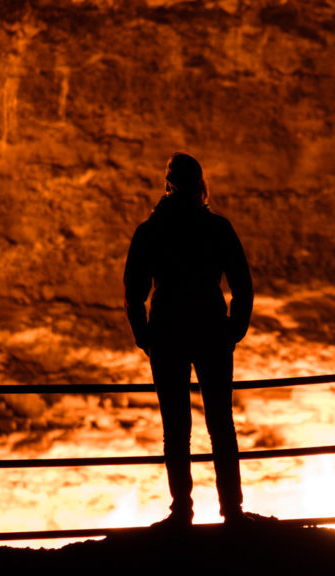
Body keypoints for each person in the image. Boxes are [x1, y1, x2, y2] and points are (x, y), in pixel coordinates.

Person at [123, 152, 253, 529]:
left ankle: (182, 512)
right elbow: (241, 285)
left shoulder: (150, 231)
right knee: (221, 426)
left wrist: (144, 335)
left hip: (167, 331)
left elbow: (135, 291)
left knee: (175, 429)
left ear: (168, 185)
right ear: (200, 186)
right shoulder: (217, 229)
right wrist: (233, 329)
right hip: (211, 329)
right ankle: (232, 511)